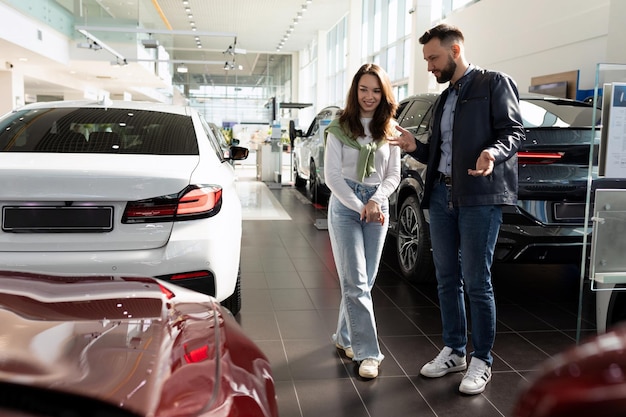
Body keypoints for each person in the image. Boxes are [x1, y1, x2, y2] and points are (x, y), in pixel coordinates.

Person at [388, 23, 525, 394]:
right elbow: (438, 153)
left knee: (478, 282)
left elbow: (514, 130)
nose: (429, 66)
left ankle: (482, 359)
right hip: (441, 196)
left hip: (479, 197)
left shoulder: (493, 83)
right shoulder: (445, 98)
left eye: (433, 57)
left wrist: (492, 153)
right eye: (427, 59)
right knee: (446, 279)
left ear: (456, 50)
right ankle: (454, 350)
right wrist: (414, 144)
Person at [324, 63, 401, 379]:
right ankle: (369, 353)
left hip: (377, 206)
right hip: (345, 208)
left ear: (384, 93)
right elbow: (332, 177)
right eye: (363, 89)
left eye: (375, 90)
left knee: (363, 282)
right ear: (355, 92)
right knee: (355, 281)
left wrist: (374, 201)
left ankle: (344, 337)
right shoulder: (339, 126)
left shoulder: (390, 129)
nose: (369, 96)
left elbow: (394, 174)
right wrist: (360, 205)